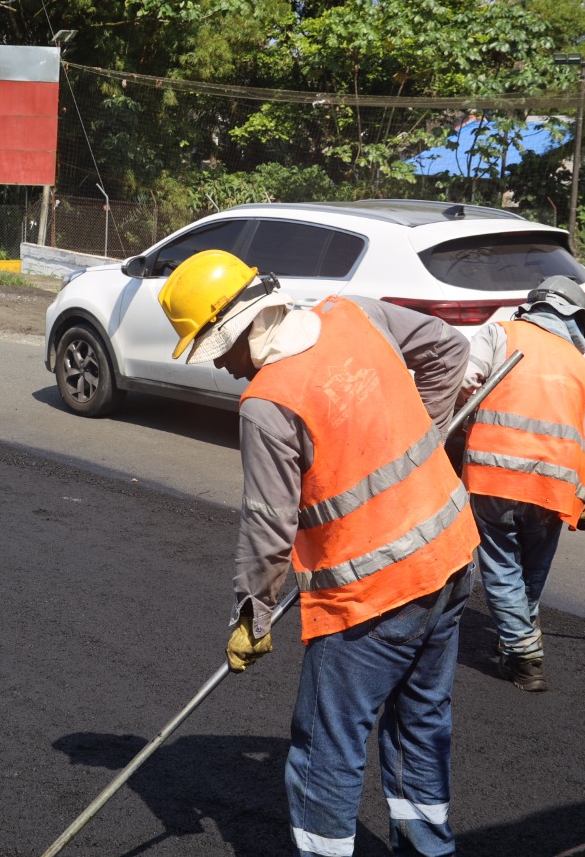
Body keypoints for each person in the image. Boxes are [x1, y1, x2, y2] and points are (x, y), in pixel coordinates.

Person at [158, 249, 477, 857]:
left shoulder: (269, 404)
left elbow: (268, 524)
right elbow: (449, 352)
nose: (223, 367)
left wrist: (251, 616)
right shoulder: (352, 313)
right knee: (421, 722)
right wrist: (426, 439)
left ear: (243, 327)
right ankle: (430, 850)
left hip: (372, 596)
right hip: (451, 555)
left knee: (327, 747)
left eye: (219, 349)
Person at [459, 275, 585, 693]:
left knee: (503, 566)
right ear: (574, 318)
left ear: (533, 306)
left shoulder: (500, 333)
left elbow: (465, 381)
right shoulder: (580, 367)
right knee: (532, 568)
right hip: (555, 487)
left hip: (493, 475)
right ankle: (520, 637)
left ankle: (524, 656)